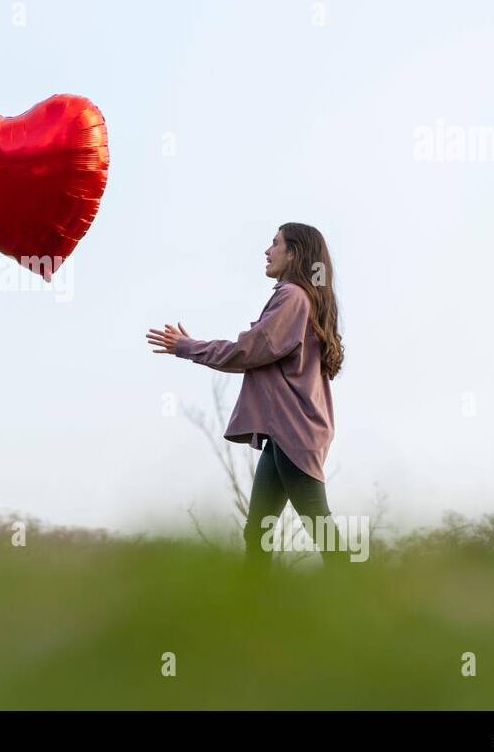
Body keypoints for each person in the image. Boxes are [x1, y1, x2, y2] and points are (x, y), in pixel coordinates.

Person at [146, 222, 347, 568]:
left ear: (294, 253)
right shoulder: (304, 300)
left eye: (275, 244)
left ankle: (362, 591)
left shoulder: (292, 297)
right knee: (259, 531)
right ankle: (256, 599)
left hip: (293, 432)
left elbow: (248, 351)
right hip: (285, 433)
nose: (267, 252)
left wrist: (187, 347)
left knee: (318, 524)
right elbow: (256, 354)